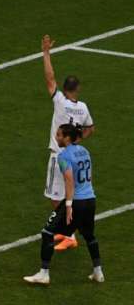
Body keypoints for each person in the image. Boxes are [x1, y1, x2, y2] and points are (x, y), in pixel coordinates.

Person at [24, 124, 103, 285]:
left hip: (76, 201)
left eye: (59, 135)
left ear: (67, 137)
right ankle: (98, 272)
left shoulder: (64, 156)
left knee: (47, 232)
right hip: (90, 199)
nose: (57, 137)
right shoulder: (85, 151)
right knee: (89, 235)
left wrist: (68, 206)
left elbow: (69, 181)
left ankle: (44, 274)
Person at [41, 35, 95, 252]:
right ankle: (68, 231)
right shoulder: (83, 107)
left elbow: (49, 78)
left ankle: (69, 234)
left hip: (59, 155)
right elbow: (90, 128)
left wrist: (46, 52)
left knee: (55, 197)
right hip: (74, 153)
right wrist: (78, 139)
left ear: (64, 89)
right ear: (77, 89)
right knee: (66, 195)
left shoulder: (60, 101)